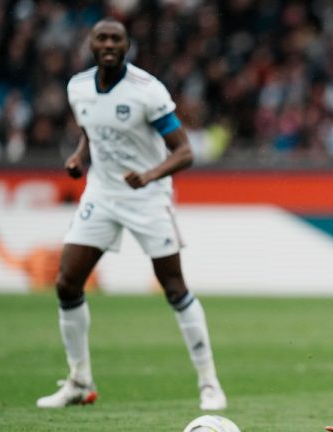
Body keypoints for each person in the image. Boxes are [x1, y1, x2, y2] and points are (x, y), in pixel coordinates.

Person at [36, 18, 226, 410]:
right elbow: (91, 130)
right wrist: (79, 157)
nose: (108, 44)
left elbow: (184, 151)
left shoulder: (147, 91)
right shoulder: (78, 87)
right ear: (90, 44)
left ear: (127, 46)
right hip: (102, 194)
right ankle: (79, 382)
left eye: (116, 39)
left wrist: (150, 175)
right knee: (67, 283)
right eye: (101, 38)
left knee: (174, 288)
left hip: (148, 197)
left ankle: (210, 384)